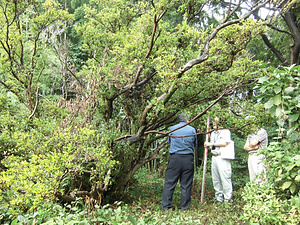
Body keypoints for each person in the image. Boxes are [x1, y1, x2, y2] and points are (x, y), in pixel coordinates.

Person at [161, 113, 197, 210]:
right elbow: (195, 144)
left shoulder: (172, 129)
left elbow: (169, 142)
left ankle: (166, 207)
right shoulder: (192, 130)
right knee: (186, 184)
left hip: (175, 158)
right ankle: (184, 207)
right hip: (188, 159)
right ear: (187, 121)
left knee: (170, 183)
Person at [204, 117, 233, 203]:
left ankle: (228, 198)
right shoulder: (213, 133)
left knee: (225, 178)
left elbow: (224, 143)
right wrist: (208, 146)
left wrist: (211, 143)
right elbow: (213, 145)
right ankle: (218, 198)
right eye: (213, 122)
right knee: (216, 179)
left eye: (215, 122)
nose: (213, 124)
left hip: (223, 157)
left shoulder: (226, 131)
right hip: (214, 156)